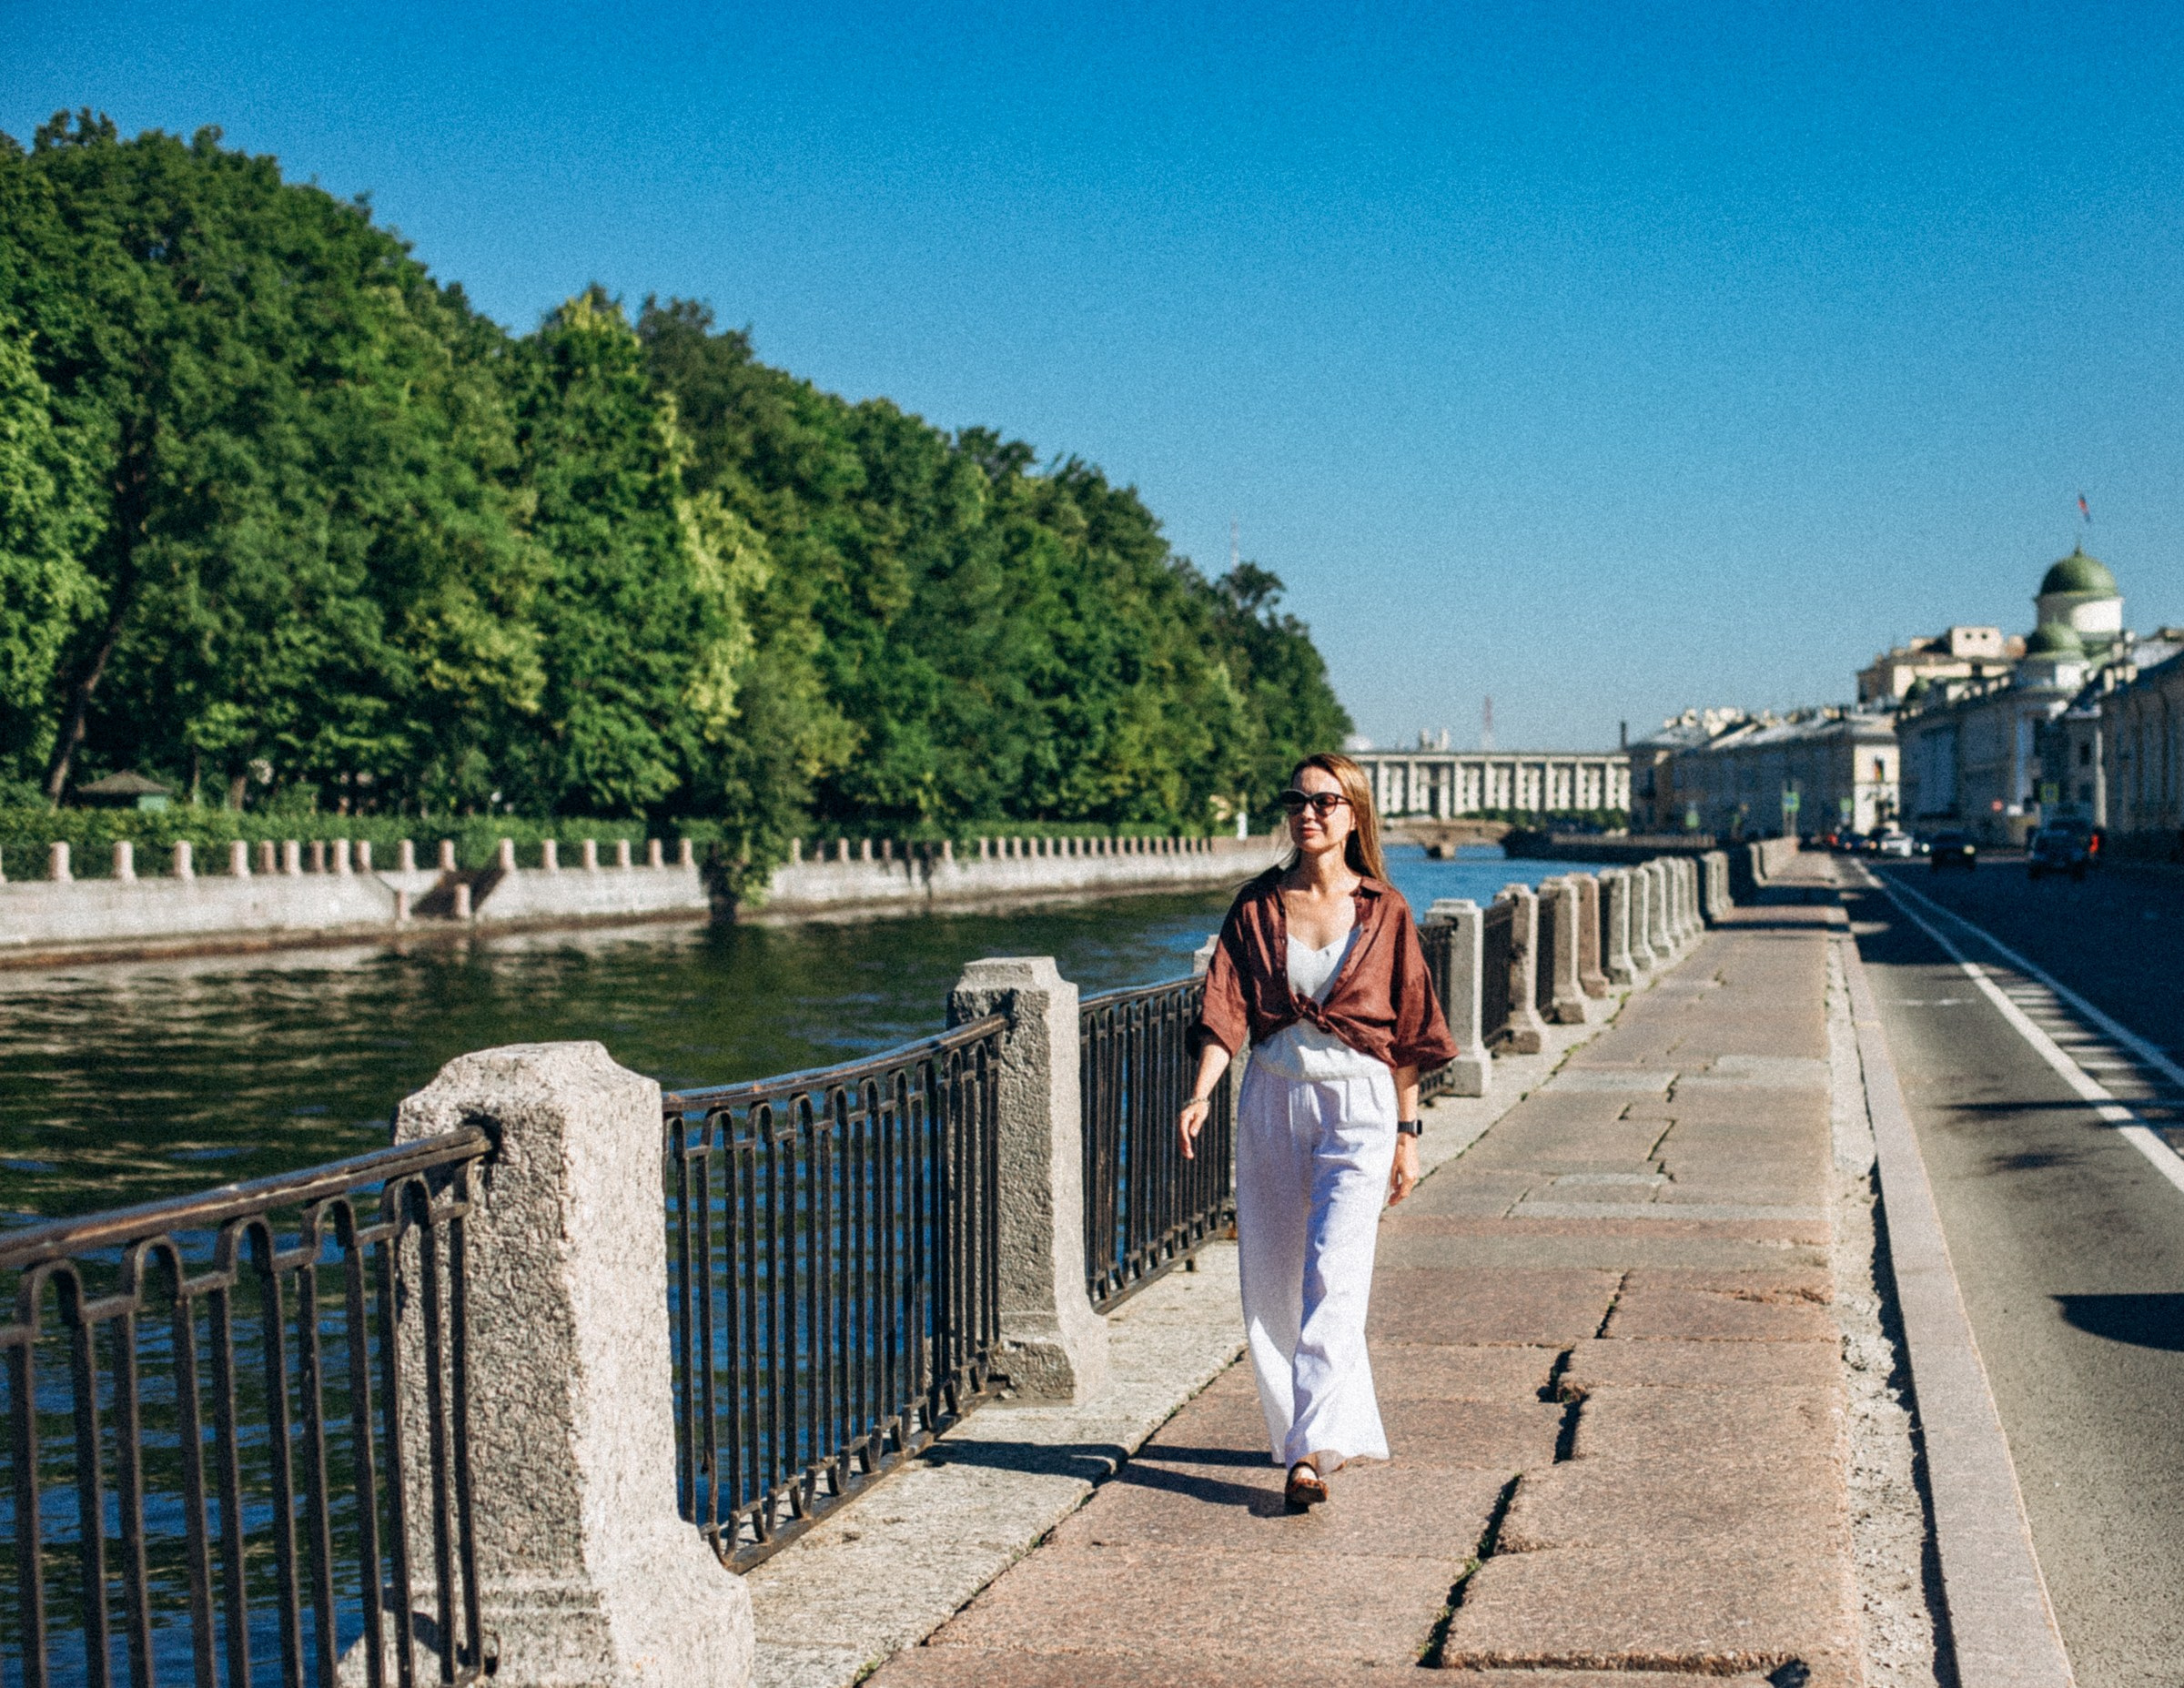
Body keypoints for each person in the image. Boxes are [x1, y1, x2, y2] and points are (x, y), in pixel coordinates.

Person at [1179, 752, 1456, 1510]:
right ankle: (1313, 1424)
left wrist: (1408, 1132)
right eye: (1297, 800)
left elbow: (1408, 1030)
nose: (1308, 813)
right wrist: (1202, 1091)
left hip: (1360, 1105)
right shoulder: (1258, 905)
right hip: (1272, 1097)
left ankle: (1307, 1452)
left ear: (1354, 813)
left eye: (1325, 801)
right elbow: (1224, 1005)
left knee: (1336, 1271)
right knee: (1271, 1277)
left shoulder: (1385, 909)